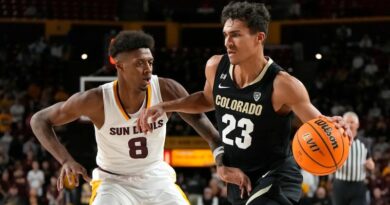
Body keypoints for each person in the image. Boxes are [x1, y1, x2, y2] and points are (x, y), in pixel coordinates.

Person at [139, 2, 352, 205]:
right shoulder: (215, 66)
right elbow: (206, 99)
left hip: (276, 177)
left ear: (259, 37)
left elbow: (319, 124)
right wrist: (165, 107)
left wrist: (336, 128)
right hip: (238, 179)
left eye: (236, 35)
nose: (227, 42)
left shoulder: (283, 85)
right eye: (225, 35)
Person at [30, 30, 230, 205]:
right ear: (120, 66)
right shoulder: (96, 100)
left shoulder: (166, 89)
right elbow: (39, 120)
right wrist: (65, 160)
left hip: (156, 178)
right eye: (139, 63)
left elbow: (205, 126)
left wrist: (220, 157)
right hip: (112, 182)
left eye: (150, 62)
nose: (148, 69)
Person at [332, 111, 375, 205]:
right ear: (342, 123)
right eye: (347, 122)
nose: (349, 124)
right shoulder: (336, 140)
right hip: (340, 184)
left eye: (352, 122)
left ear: (358, 125)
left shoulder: (365, 142)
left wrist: (371, 165)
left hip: (358, 185)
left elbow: (370, 161)